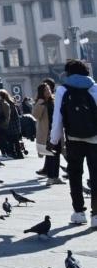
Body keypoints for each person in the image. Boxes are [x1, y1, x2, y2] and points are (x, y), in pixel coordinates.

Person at [50, 60, 97, 227]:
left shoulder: (63, 90)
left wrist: (54, 139)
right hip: (94, 139)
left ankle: (79, 213)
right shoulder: (94, 87)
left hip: (73, 139)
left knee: (75, 175)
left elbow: (58, 118)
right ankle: (96, 215)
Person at [33, 83, 62, 184]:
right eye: (45, 90)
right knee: (50, 155)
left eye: (49, 89)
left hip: (56, 131)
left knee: (57, 154)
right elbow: (35, 115)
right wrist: (41, 102)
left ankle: (56, 177)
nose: (48, 92)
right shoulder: (40, 102)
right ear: (41, 92)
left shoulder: (54, 101)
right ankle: (50, 177)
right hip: (46, 132)